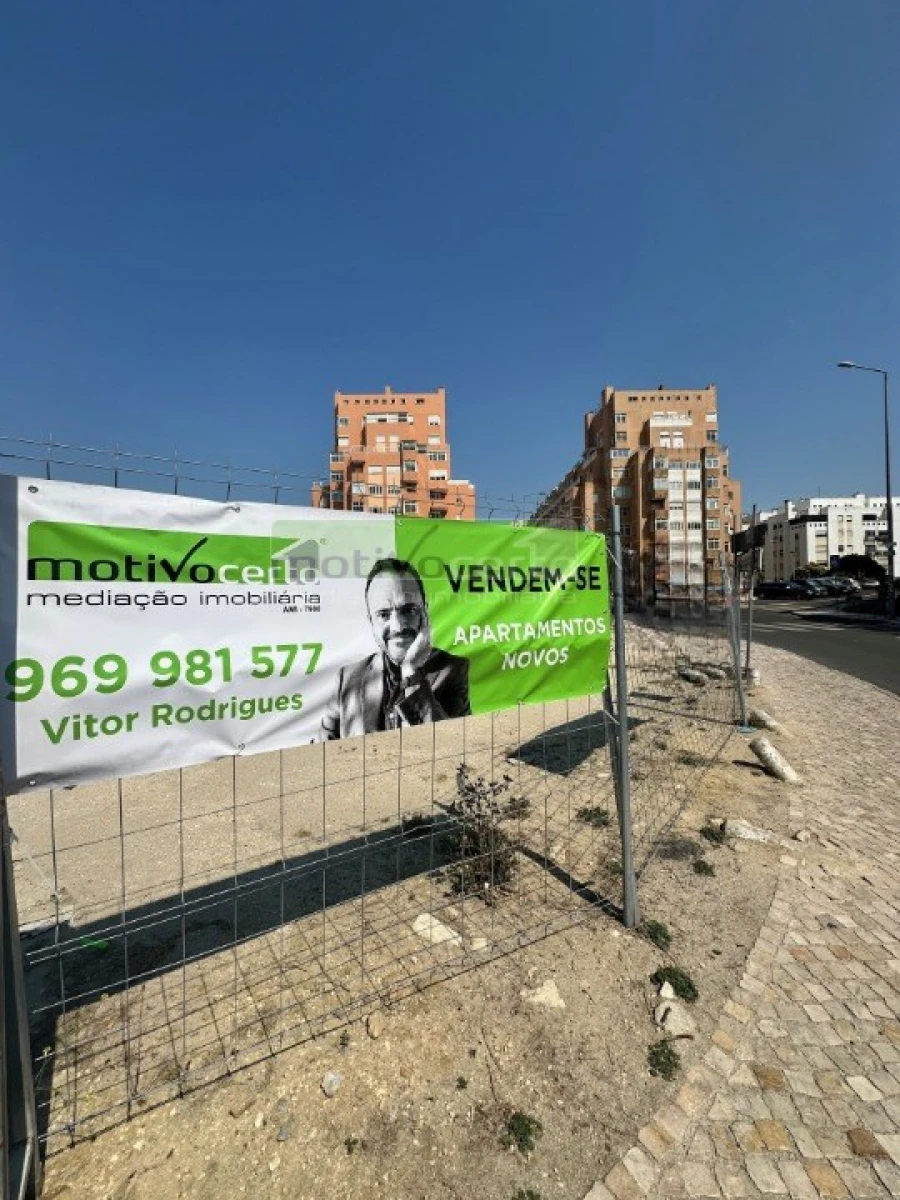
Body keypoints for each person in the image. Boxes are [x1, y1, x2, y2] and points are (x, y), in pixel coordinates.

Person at [321, 557, 470, 739]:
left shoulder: (453, 670)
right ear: (371, 621)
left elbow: (452, 745)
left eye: (409, 610)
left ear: (425, 613)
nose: (398, 626)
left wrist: (412, 674)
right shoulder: (346, 679)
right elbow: (322, 754)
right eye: (384, 614)